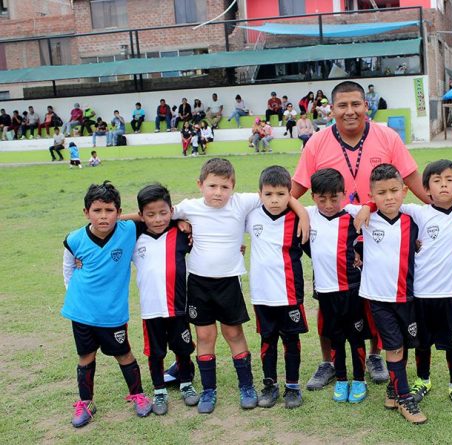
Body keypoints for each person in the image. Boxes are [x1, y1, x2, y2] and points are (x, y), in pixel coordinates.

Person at [292, 81, 430, 390]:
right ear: (331, 109)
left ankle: (374, 355)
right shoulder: (316, 142)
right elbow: (297, 187)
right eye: (342, 105)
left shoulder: (387, 137)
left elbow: (412, 179)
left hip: (377, 233)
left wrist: (442, 205)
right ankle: (328, 361)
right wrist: (279, 210)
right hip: (333, 238)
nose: (350, 111)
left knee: (375, 299)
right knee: (328, 300)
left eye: (356, 104)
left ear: (366, 105)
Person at [170, 158, 308, 413]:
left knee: (234, 334)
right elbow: (160, 214)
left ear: (233, 186)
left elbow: (281, 195)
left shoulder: (243, 202)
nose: (218, 192)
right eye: (212, 186)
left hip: (229, 282)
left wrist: (302, 213)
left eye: (225, 187)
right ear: (200, 185)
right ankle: (209, 391)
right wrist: (179, 222)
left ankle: (247, 386)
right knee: (204, 336)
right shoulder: (190, 207)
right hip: (199, 283)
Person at [375, 160, 452, 410]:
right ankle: (423, 380)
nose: (443, 185)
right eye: (437, 181)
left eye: (449, 180)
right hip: (420, 293)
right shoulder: (417, 212)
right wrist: (366, 207)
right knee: (421, 342)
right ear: (426, 189)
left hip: (451, 293)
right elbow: (385, 201)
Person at [61, 181, 152, 428]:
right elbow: (68, 269)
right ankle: (86, 403)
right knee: (85, 357)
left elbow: (153, 215)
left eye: (109, 210)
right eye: (97, 210)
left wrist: (185, 224)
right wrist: (77, 295)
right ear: (86, 212)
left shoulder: (128, 230)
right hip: (81, 312)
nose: (103, 216)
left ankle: (138, 395)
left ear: (119, 212)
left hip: (113, 313)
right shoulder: (74, 239)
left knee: (123, 354)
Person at [355, 164, 425, 424]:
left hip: (408, 297)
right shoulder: (367, 218)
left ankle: (393, 389)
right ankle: (405, 398)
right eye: (381, 193)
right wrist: (366, 207)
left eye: (395, 190)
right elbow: (338, 211)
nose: (389, 197)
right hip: (380, 299)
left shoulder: (413, 219)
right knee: (394, 347)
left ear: (405, 191)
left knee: (404, 346)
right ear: (371, 195)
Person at [131, 184, 200, 415]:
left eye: (163, 213)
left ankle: (186, 383)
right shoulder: (134, 237)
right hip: (151, 309)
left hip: (178, 306)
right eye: (150, 215)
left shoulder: (181, 234)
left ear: (171, 210)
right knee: (155, 352)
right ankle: (159, 390)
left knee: (183, 348)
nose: (158, 219)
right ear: (141, 215)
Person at [304, 168, 369, 404]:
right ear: (313, 197)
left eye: (335, 198)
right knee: (336, 337)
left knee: (356, 336)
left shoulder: (352, 214)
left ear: (344, 194)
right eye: (322, 199)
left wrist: (367, 207)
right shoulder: (308, 215)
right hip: (326, 291)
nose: (329, 204)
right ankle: (341, 379)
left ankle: (360, 379)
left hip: (352, 289)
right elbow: (289, 204)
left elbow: (371, 206)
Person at [246, 166, 308, 409]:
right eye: (269, 194)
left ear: (290, 195)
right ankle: (269, 385)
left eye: (281, 194)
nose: (274, 200)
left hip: (289, 293)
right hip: (262, 295)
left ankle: (292, 386)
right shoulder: (251, 215)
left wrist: (301, 212)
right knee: (267, 340)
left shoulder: (299, 217)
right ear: (259, 194)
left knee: (291, 340)